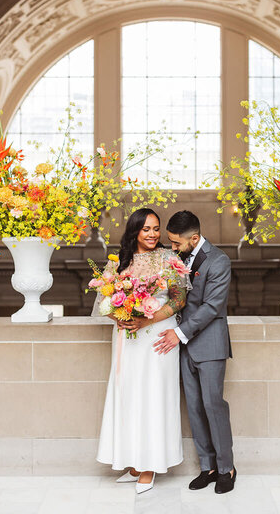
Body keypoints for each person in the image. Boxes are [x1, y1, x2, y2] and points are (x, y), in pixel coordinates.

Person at [92, 208, 188, 494]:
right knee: (129, 396)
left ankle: (150, 465)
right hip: (127, 337)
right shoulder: (119, 261)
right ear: (134, 230)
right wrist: (120, 316)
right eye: (146, 229)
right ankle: (133, 463)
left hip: (157, 336)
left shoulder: (169, 259)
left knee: (153, 396)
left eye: (156, 229)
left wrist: (148, 319)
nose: (153, 234)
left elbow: (180, 298)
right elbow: (105, 301)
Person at [154, 210, 236, 494]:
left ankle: (227, 468)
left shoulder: (219, 261)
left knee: (214, 406)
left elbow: (213, 307)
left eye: (176, 243)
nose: (172, 248)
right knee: (194, 408)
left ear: (195, 238)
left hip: (209, 344)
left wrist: (177, 333)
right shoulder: (175, 256)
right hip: (183, 347)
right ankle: (208, 467)